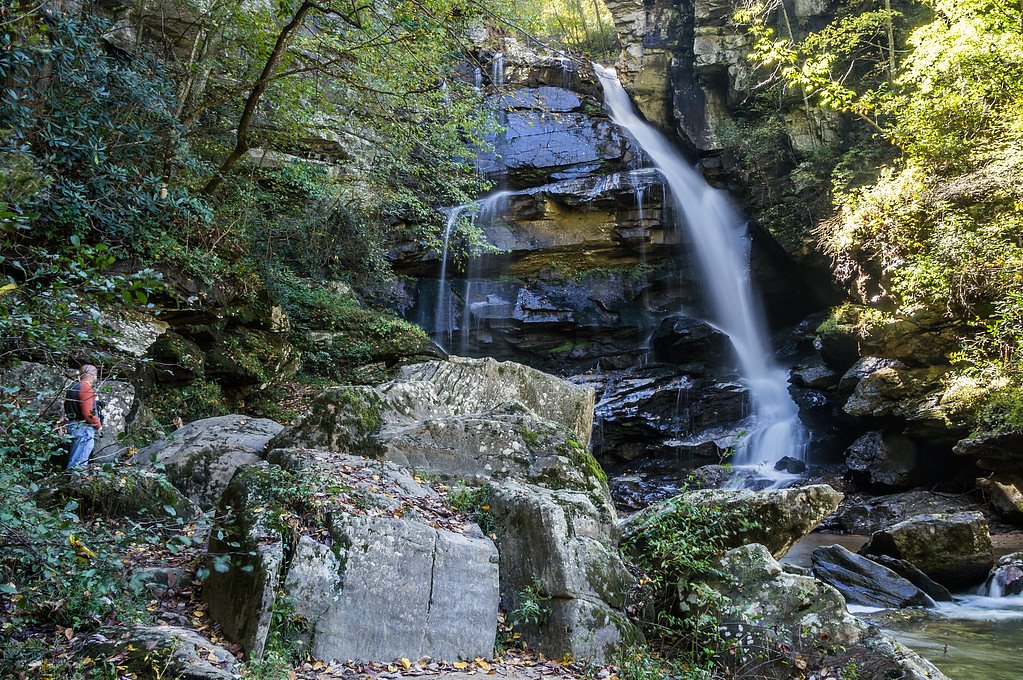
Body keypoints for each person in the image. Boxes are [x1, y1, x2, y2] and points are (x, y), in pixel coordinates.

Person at [64, 364, 103, 468]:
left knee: (74, 457)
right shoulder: (86, 388)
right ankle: (75, 482)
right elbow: (88, 413)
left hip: (73, 425)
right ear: (94, 375)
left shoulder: (73, 387)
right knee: (79, 462)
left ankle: (71, 480)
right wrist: (98, 425)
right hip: (83, 429)